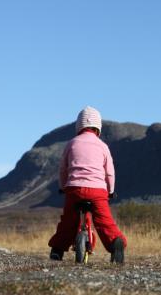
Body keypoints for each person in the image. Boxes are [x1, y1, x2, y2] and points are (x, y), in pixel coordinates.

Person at [48, 106, 127, 264]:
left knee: (68, 221)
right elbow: (109, 172)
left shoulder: (71, 144)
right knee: (104, 221)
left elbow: (63, 169)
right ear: (98, 127)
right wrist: (110, 190)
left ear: (78, 126)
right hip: (98, 190)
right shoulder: (103, 146)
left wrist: (63, 186)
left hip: (74, 189)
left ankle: (57, 250)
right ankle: (115, 243)